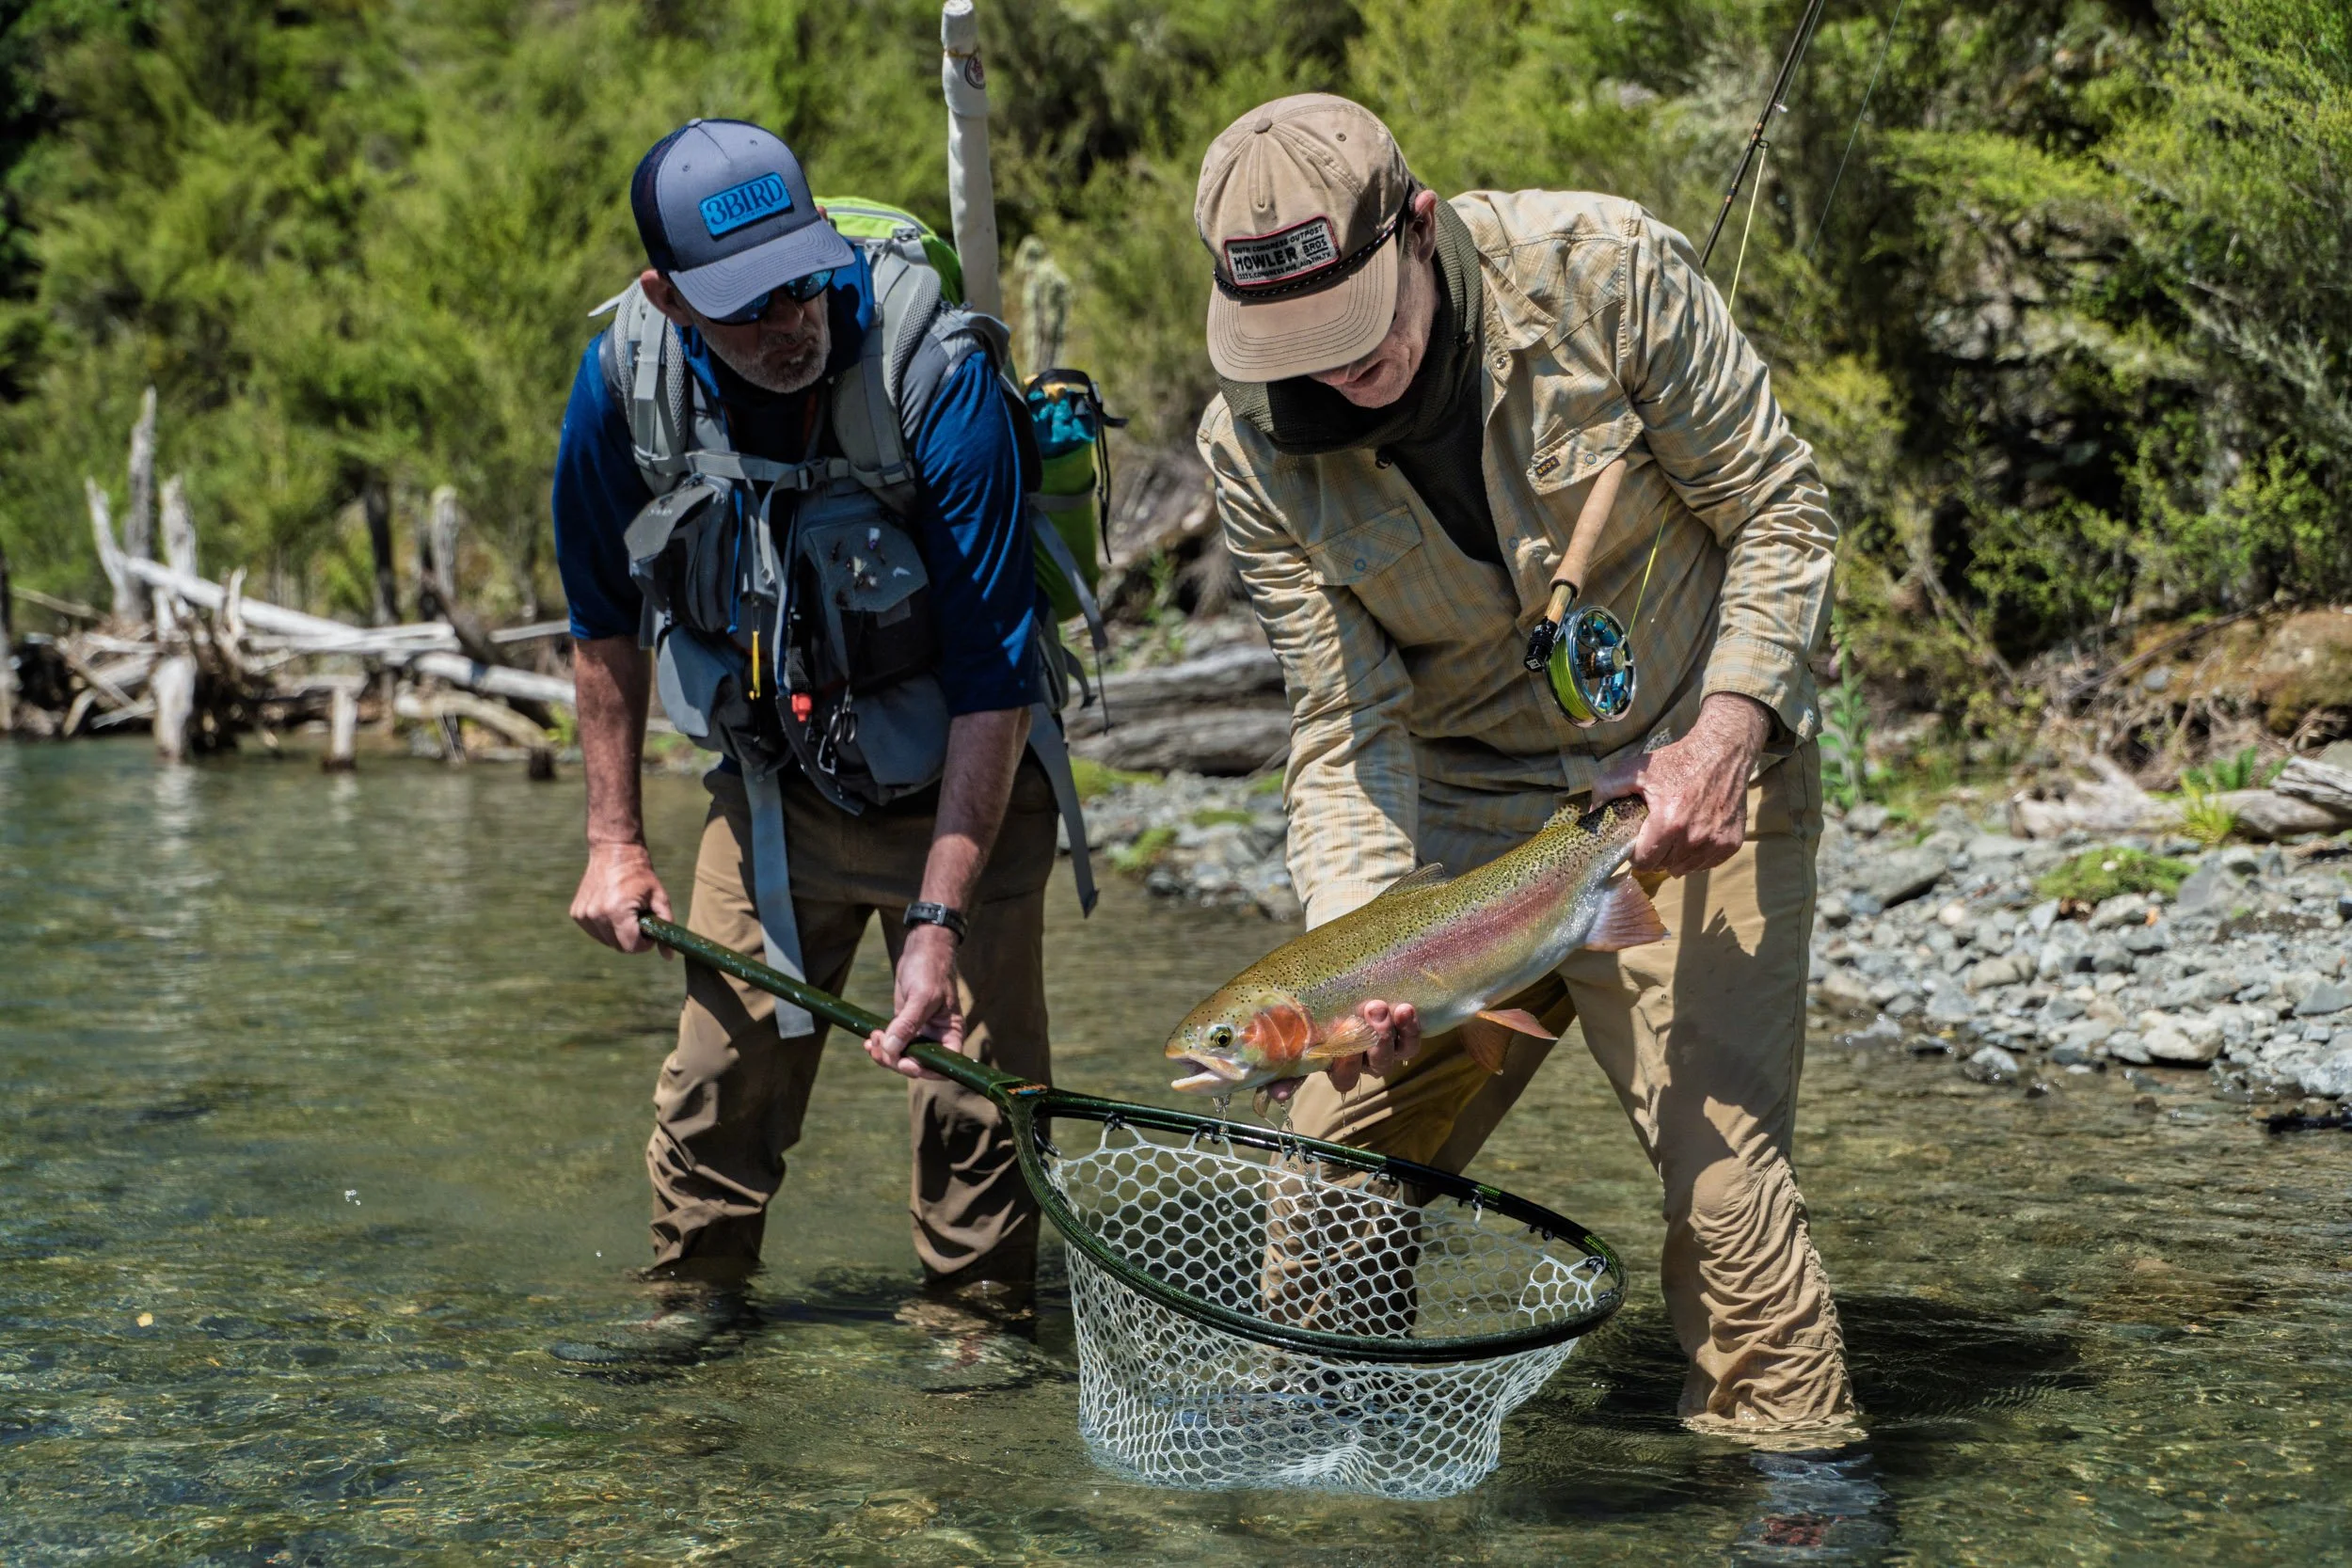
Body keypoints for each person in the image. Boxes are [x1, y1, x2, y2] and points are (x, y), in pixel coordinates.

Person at [1193, 94, 1852, 1437]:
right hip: (1468, 809)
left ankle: (1799, 1486)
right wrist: (1355, 962)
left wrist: (1727, 739)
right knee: (1322, 1167)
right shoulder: (1251, 449)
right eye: (1294, 344)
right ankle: (1338, 1457)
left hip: (1690, 763)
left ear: (1419, 230)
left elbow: (1783, 510)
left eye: (1360, 322)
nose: (1338, 370)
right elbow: (1345, 722)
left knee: (1727, 1198)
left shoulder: (1607, 273)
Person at [552, 119, 1081, 1346]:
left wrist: (940, 919)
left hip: (971, 782)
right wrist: (612, 838)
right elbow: (599, 623)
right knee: (714, 1090)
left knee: (975, 1112)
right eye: (747, 305)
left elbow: (998, 679)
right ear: (666, 296)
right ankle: (696, 1309)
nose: (792, 319)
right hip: (778, 792)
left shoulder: (935, 377)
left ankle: (975, 1335)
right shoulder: (623, 381)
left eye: (802, 276)